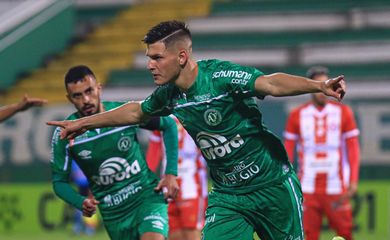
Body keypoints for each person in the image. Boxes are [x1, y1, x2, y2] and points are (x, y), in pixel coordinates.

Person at [47, 20, 346, 240]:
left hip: (272, 185)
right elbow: (137, 111)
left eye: (156, 57)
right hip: (229, 195)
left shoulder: (219, 77)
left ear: (181, 57)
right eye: (149, 57)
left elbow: (270, 83)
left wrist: (319, 86)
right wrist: (80, 123)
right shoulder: (168, 95)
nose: (150, 65)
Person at [49, 65, 179, 240]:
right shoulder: (65, 133)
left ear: (99, 88)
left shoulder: (122, 114)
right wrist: (80, 202)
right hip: (114, 214)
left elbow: (169, 124)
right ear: (69, 98)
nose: (86, 99)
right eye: (77, 95)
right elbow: (59, 182)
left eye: (89, 91)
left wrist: (171, 173)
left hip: (146, 197)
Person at [283, 66, 360, 240]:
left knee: (345, 233)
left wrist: (353, 180)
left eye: (327, 82)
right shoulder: (297, 115)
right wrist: (288, 181)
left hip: (335, 186)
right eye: (319, 84)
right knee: (307, 235)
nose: (323, 89)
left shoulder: (344, 113)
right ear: (312, 87)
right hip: (307, 186)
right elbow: (287, 152)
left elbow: (353, 148)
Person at [146, 116, 208, 240]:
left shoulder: (194, 112)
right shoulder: (161, 117)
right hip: (167, 185)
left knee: (192, 233)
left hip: (192, 185)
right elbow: (154, 152)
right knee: (172, 233)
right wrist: (147, 183)